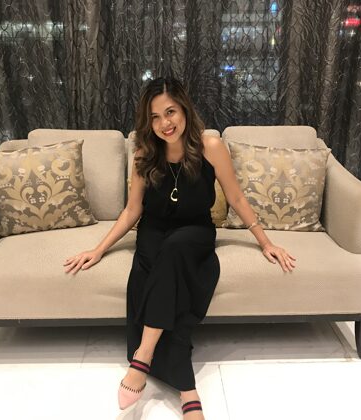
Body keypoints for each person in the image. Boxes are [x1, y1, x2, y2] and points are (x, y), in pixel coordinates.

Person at [63, 77, 296, 419]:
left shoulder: (210, 146)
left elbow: (235, 197)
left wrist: (266, 242)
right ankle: (187, 389)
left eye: (170, 112)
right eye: (155, 117)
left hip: (194, 233)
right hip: (153, 232)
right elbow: (132, 210)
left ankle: (142, 359)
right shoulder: (144, 152)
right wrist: (98, 249)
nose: (164, 123)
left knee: (174, 250)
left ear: (184, 109)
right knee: (164, 278)